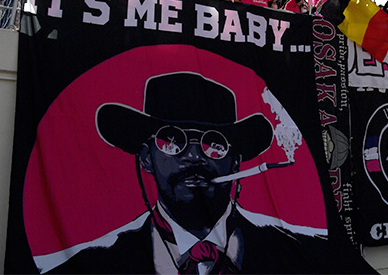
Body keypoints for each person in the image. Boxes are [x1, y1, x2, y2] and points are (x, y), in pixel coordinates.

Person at [52, 72, 361, 274]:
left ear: (236, 162)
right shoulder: (97, 264)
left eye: (215, 144)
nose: (194, 156)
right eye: (172, 141)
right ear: (146, 158)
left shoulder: (299, 253)